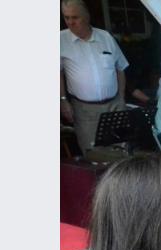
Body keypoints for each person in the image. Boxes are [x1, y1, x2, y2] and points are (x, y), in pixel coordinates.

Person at [60, 0, 128, 153]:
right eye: (66, 17)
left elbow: (120, 67)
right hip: (84, 109)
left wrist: (122, 98)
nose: (70, 22)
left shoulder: (105, 37)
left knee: (121, 152)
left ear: (86, 16)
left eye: (75, 17)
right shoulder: (60, 40)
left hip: (114, 105)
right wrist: (63, 100)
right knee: (94, 155)